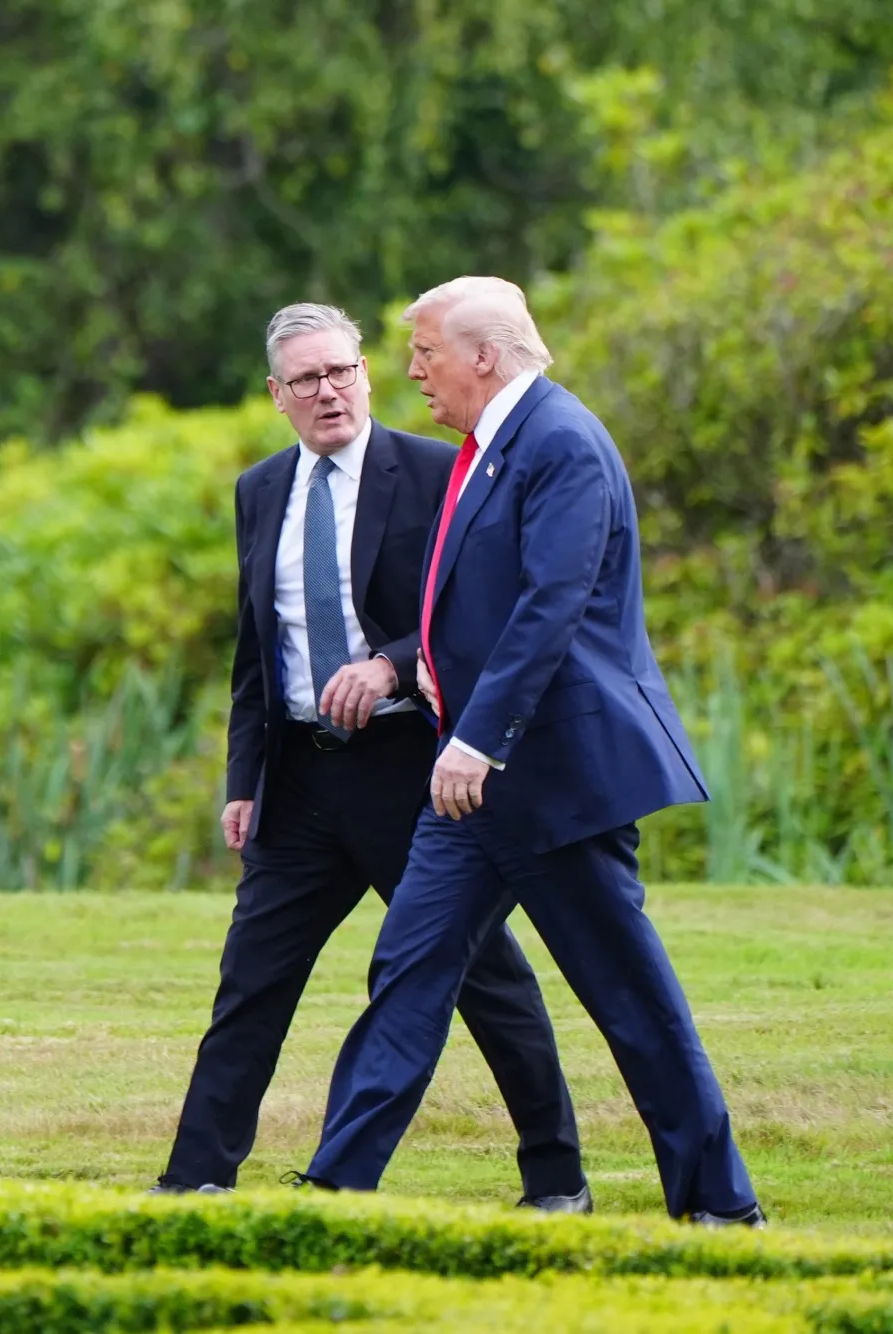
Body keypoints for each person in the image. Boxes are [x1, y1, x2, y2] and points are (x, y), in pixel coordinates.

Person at [295, 277, 765, 1227]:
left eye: (424, 351)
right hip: (469, 790)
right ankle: (332, 1194)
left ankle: (720, 1204)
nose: (413, 371)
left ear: (483, 355)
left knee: (630, 1001)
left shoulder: (561, 441)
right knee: (408, 975)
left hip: (551, 778)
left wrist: (477, 737)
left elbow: (551, 608)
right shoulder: (490, 444)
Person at [151, 302, 589, 1210]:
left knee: (485, 977)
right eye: (306, 380)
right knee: (249, 985)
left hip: (409, 772)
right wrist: (244, 781)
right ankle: (195, 1180)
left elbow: (472, 612)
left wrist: (390, 664)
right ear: (278, 396)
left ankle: (556, 1178)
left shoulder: (438, 472)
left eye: (341, 371)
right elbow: (254, 651)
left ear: (367, 373)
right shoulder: (260, 490)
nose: (329, 392)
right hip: (300, 784)